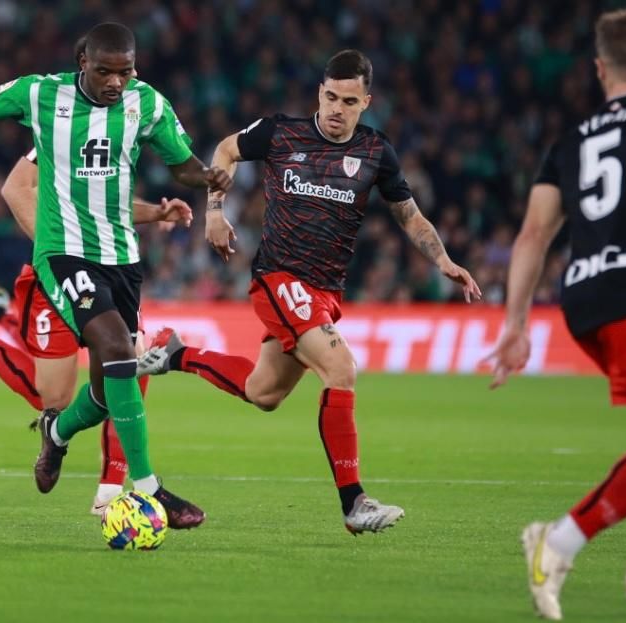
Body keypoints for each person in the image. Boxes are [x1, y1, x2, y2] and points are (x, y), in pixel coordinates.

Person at [139, 49, 480, 535]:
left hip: (326, 291)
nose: (336, 109)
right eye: (329, 97)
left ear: (366, 101)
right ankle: (354, 503)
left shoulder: (376, 151)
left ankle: (176, 355)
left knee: (264, 393)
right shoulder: (282, 132)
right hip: (280, 278)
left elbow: (409, 214)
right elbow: (225, 149)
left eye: (348, 101)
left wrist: (443, 260)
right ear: (319, 91)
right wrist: (215, 210)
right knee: (341, 369)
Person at [0, 22, 231, 529]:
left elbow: (182, 164)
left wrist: (206, 178)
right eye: (105, 70)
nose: (116, 81)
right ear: (82, 62)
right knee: (115, 347)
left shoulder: (147, 104)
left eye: (125, 71)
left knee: (108, 391)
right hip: (63, 253)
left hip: (122, 256)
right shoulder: (43, 94)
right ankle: (151, 491)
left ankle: (58, 434)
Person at [484, 10, 626, 620]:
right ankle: (559, 540)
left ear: (598, 70)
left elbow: (535, 234)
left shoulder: (572, 140)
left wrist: (514, 326)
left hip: (584, 296)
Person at [0, 145, 192, 515]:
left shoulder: (122, 124)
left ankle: (110, 494)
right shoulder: (59, 122)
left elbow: (109, 207)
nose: (121, 84)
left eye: (126, 81)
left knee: (127, 366)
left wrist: (156, 212)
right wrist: (57, 252)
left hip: (113, 272)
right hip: (56, 279)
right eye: (113, 80)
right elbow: (15, 189)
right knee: (53, 402)